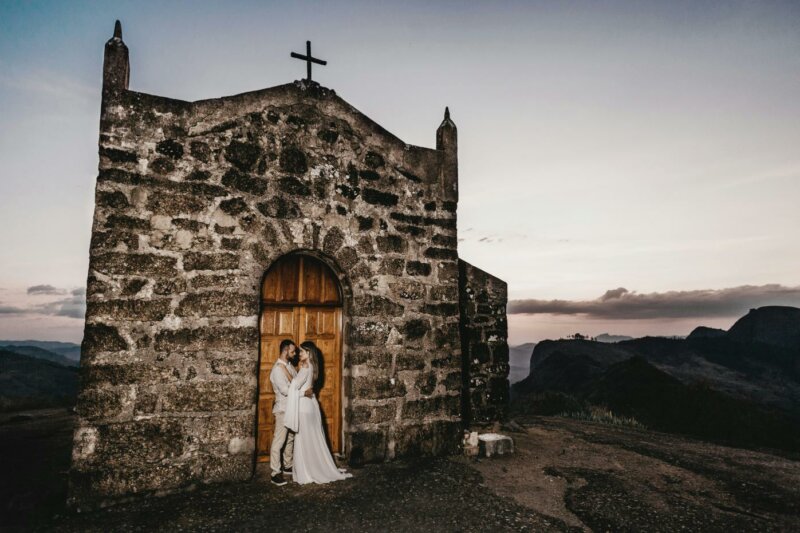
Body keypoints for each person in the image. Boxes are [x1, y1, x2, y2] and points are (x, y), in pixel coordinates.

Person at [284, 341, 352, 484]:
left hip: (304, 407)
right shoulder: (313, 367)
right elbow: (305, 387)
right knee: (312, 438)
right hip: (312, 406)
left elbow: (293, 388)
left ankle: (307, 472)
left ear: (308, 353)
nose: (299, 354)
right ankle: (316, 467)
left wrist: (301, 393)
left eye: (301, 351)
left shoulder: (305, 367)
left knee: (304, 439)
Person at [268, 339, 312, 486]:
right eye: (292, 351)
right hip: (282, 409)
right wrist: (303, 393)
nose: (295, 354)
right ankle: (275, 473)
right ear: (286, 350)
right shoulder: (277, 370)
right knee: (279, 441)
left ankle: (288, 465)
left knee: (291, 438)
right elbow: (287, 391)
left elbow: (295, 381)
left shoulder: (288, 366)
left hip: (292, 408)